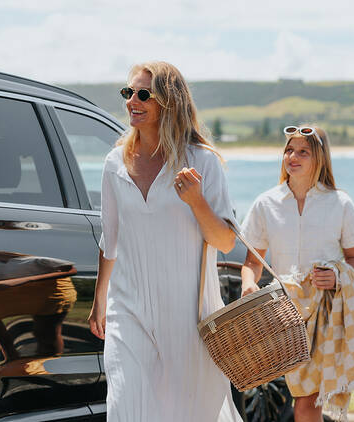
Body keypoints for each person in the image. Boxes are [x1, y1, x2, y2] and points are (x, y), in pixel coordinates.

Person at [86, 62, 241, 421]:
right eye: (128, 93)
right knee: (126, 406)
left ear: (168, 102)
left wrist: (197, 201)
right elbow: (110, 238)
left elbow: (226, 240)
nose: (132, 102)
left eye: (143, 94)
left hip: (188, 315)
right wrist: (100, 300)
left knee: (187, 413)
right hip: (128, 309)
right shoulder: (114, 163)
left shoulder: (202, 162)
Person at [240, 125, 354, 422]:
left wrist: (338, 277)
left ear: (319, 157)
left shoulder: (340, 203)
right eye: (289, 150)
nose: (293, 156)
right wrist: (248, 284)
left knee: (307, 402)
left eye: (303, 151)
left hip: (325, 313)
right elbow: (252, 261)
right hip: (283, 314)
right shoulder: (266, 203)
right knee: (298, 398)